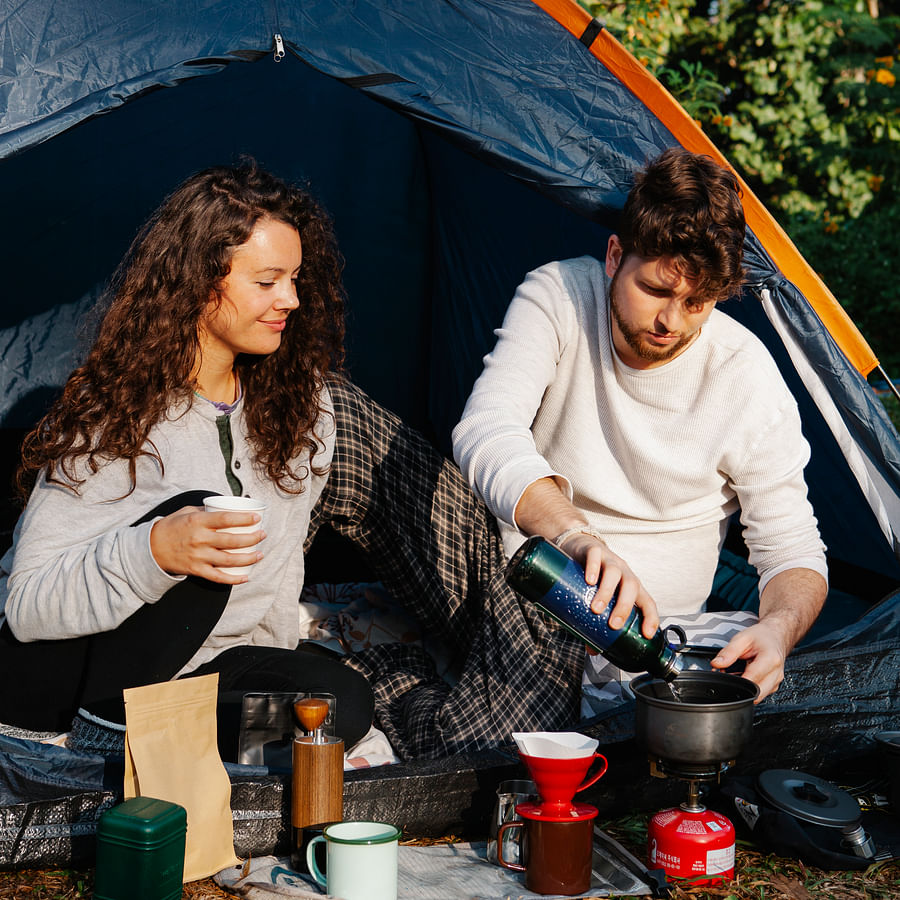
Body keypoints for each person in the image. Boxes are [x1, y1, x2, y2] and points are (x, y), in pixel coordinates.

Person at [0, 161, 582, 761]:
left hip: (212, 683)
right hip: (100, 678)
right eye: (268, 281)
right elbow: (26, 608)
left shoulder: (299, 410)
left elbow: (278, 594)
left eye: (297, 279)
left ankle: (165, 741)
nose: (292, 299)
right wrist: (154, 551)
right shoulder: (116, 421)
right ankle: (113, 736)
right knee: (193, 516)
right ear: (201, 284)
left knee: (340, 706)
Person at [452, 148, 828, 709]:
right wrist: (576, 536)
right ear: (614, 255)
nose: (669, 321)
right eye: (655, 289)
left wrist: (778, 629)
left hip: (642, 638)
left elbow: (794, 549)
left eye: (696, 302)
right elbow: (487, 428)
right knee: (344, 417)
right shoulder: (559, 296)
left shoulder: (745, 375)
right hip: (518, 578)